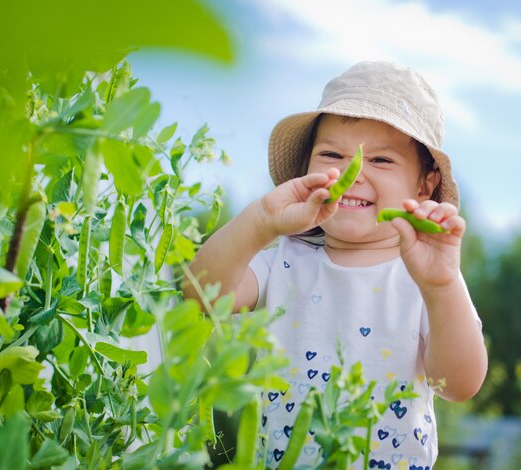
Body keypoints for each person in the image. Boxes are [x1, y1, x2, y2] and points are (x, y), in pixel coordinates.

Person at [184, 61, 488, 469]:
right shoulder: (285, 260)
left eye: (380, 160)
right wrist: (260, 222)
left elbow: (459, 384)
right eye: (332, 154)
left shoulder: (428, 279)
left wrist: (441, 286)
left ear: (425, 184)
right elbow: (200, 293)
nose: (352, 172)